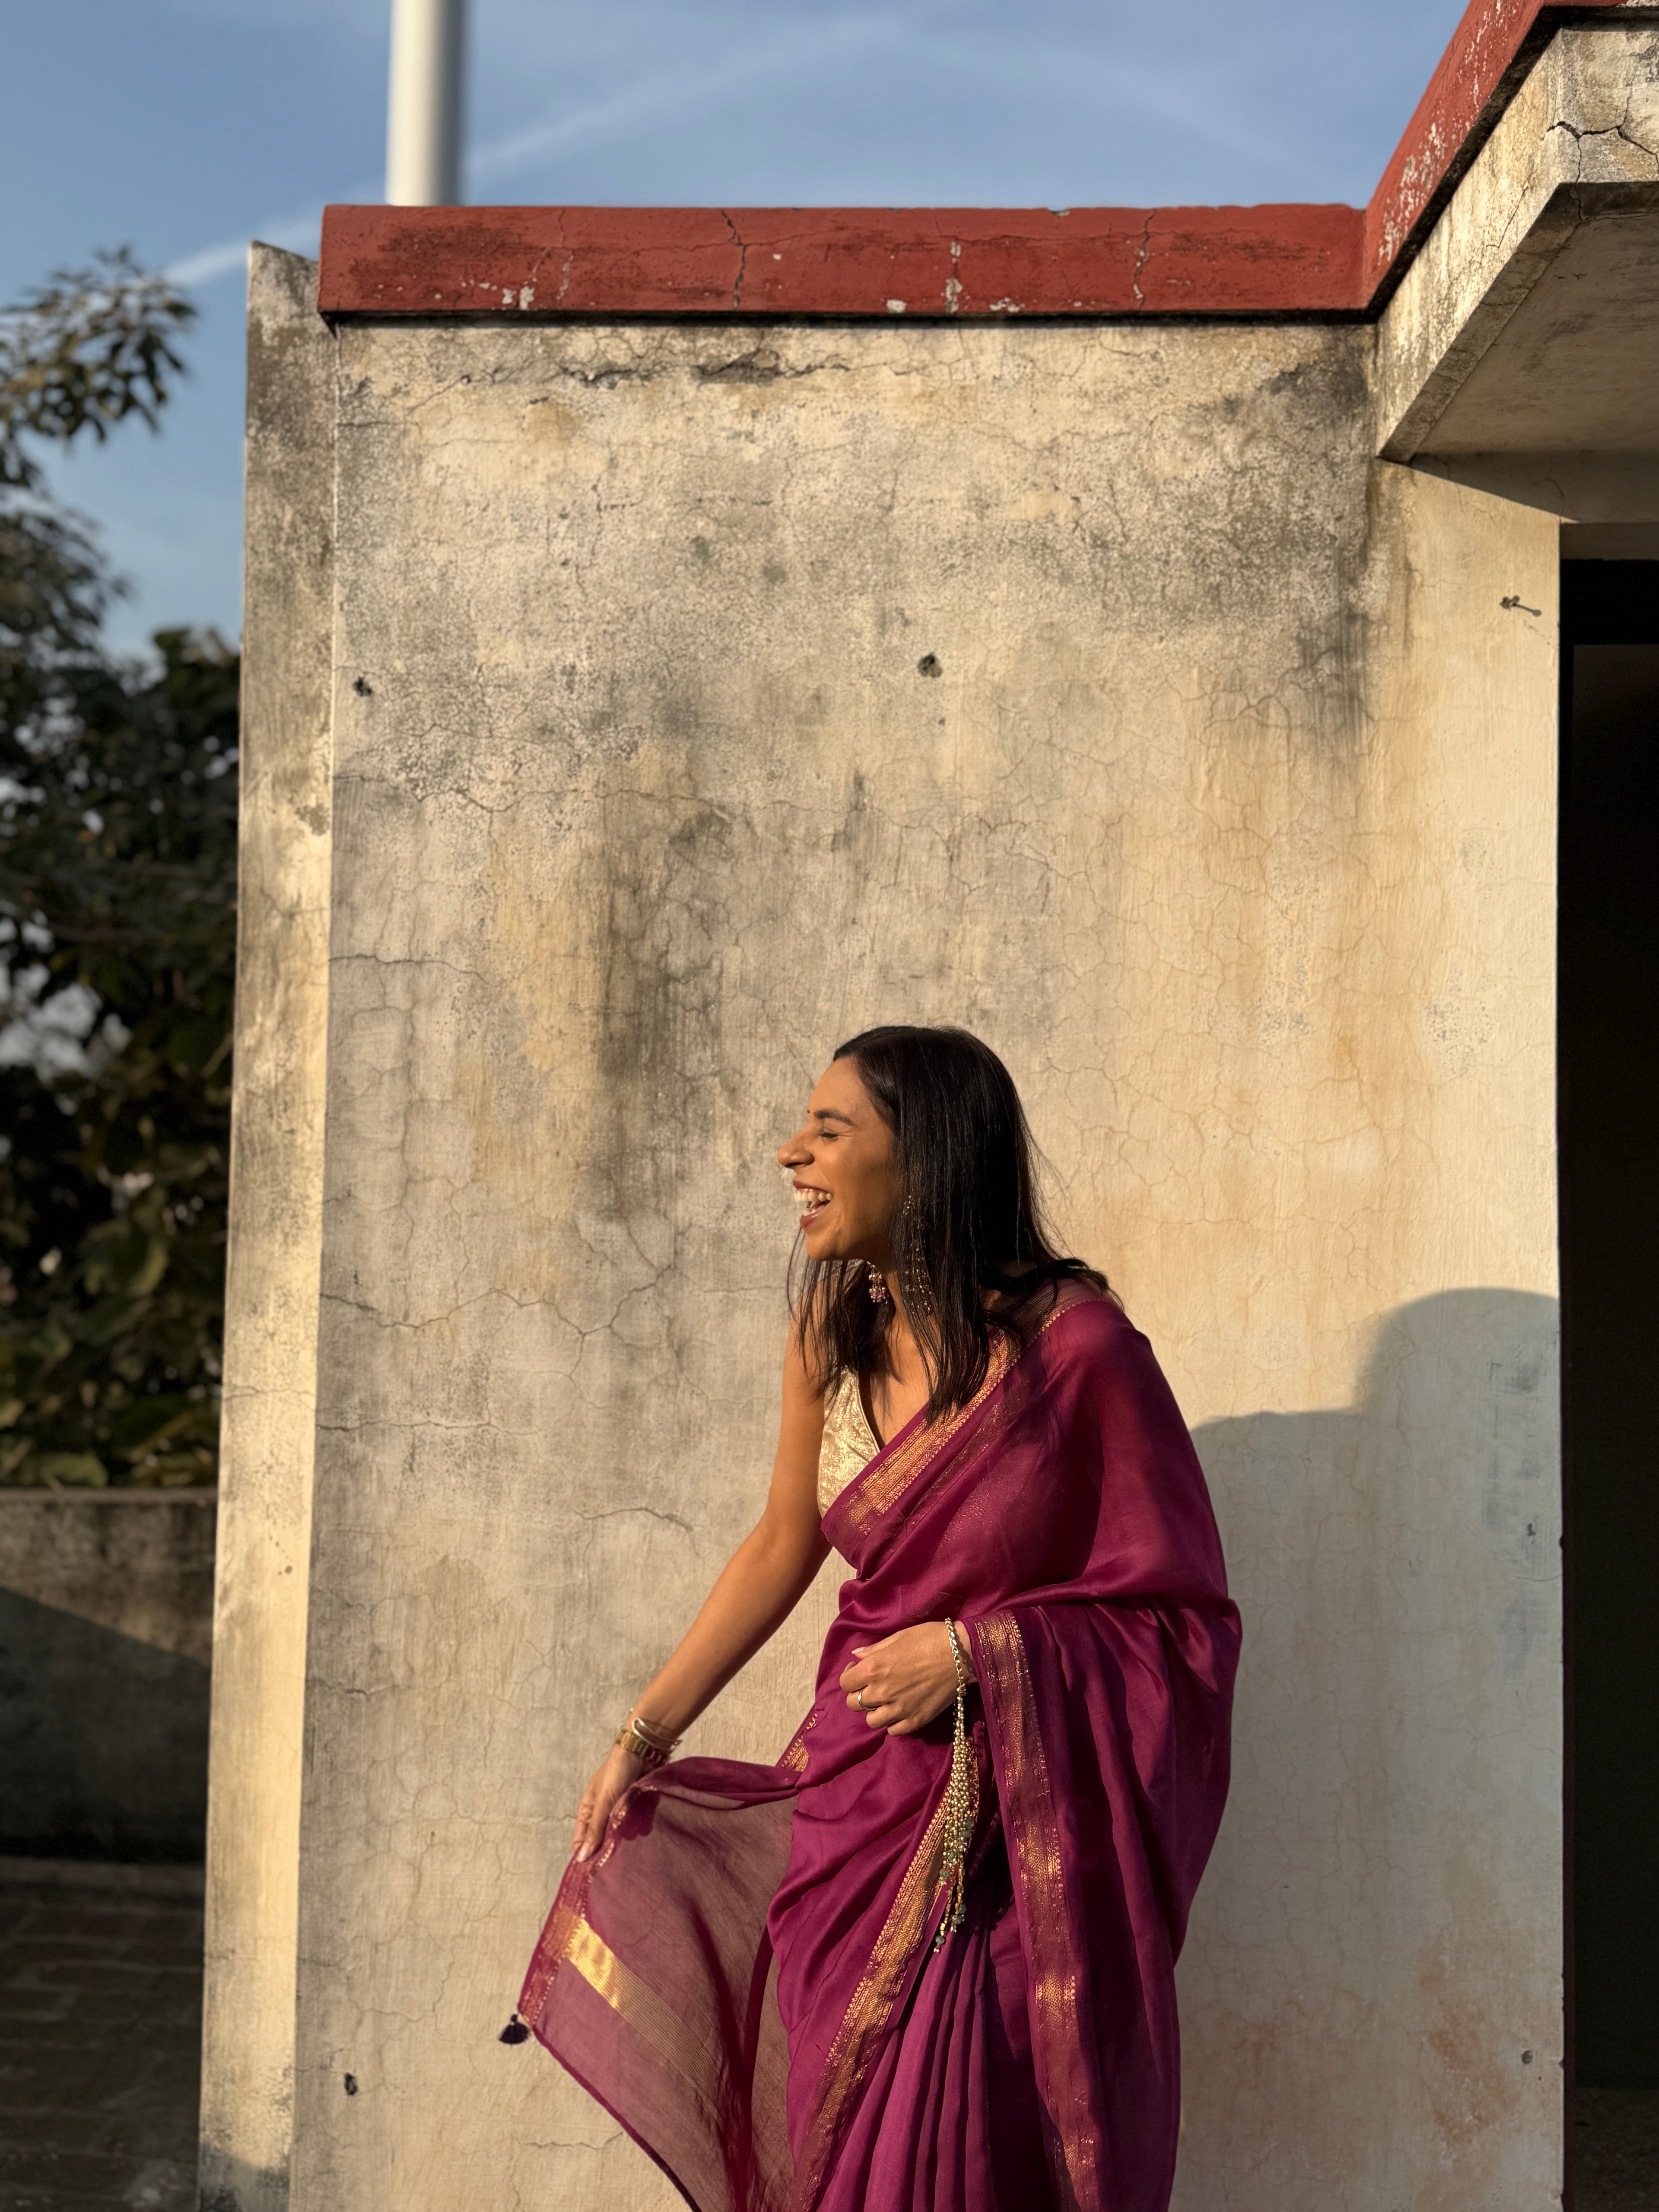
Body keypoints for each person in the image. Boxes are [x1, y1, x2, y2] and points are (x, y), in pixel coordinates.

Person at [514, 1026, 1240, 2212]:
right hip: (854, 1816)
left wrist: (980, 1655)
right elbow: (781, 1545)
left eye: (831, 1130)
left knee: (982, 2152)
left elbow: (1181, 1620)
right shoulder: (826, 1338)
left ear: (931, 1158)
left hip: (1010, 1849)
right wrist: (643, 1736)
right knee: (844, 2153)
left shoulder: (1079, 1352)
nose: (789, 1152)